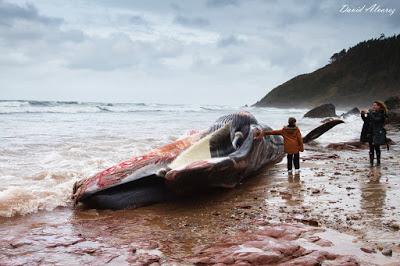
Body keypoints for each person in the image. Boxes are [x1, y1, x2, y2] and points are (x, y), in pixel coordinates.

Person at [360, 101, 387, 166]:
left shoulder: (382, 113)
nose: (373, 107)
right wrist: (362, 114)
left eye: (375, 105)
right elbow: (366, 120)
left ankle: (378, 162)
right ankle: (371, 163)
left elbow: (376, 120)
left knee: (377, 147)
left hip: (377, 133)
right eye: (373, 105)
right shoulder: (372, 113)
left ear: (379, 106)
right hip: (370, 132)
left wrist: (369, 113)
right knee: (371, 148)